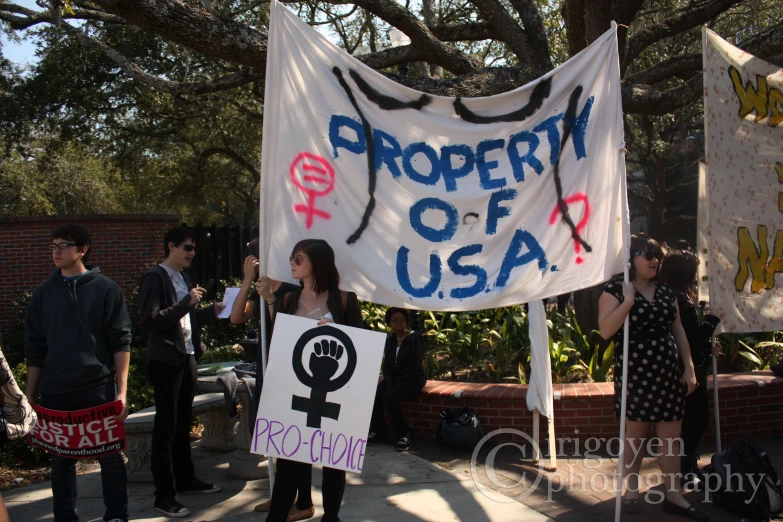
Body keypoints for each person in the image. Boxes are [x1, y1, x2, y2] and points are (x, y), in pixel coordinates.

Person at [25, 224, 131, 522]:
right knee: (60, 461)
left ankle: (116, 515)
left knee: (110, 456)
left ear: (82, 250)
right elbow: (35, 349)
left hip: (96, 387)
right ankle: (65, 517)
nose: (56, 251)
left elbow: (121, 342)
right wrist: (30, 398)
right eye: (53, 245)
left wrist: (121, 392)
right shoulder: (42, 295)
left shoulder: (106, 289)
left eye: (64, 245)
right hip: (55, 389)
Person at [598, 234, 705, 520]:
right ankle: (631, 491)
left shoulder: (666, 292)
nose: (654, 260)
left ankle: (674, 494)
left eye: (657, 255)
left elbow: (678, 330)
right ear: (630, 259)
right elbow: (606, 330)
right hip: (636, 374)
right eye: (647, 255)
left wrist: (689, 367)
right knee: (635, 437)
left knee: (671, 439)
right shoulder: (616, 290)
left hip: (667, 374)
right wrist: (627, 303)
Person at [256, 239, 364, 522]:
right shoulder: (288, 300)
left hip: (335, 394)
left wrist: (338, 331)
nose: (291, 263)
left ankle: (331, 517)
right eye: (292, 257)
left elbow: (360, 346)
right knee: (289, 462)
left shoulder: (344, 300)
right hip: (295, 392)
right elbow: (279, 339)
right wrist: (269, 300)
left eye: (298, 258)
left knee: (333, 462)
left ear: (317, 263)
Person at [139, 226, 225, 518]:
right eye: (187, 247)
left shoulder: (182, 278)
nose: (192, 253)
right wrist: (187, 302)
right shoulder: (155, 277)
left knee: (183, 423)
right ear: (171, 246)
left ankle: (186, 480)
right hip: (164, 360)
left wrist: (211, 311)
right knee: (166, 427)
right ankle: (163, 496)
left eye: (193, 249)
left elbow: (186, 319)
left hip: (185, 355)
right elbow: (150, 321)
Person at [228, 239, 299, 515]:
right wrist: (247, 281)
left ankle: (293, 498)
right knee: (273, 435)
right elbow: (236, 317)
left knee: (290, 438)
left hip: (287, 365)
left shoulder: (292, 287)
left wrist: (271, 297)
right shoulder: (257, 288)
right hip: (265, 364)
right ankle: (281, 494)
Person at [659, 249, 721, 482]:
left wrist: (708, 348)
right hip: (691, 370)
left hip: (687, 366)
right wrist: (713, 320)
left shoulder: (673, 295)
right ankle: (686, 467)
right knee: (697, 420)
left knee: (691, 421)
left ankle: (686, 464)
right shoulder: (682, 300)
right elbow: (692, 336)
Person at [368, 307, 426, 451]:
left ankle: (405, 433)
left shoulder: (414, 339)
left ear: (407, 322)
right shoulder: (390, 340)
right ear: (389, 323)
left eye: (402, 320)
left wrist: (394, 384)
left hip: (412, 379)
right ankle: (380, 431)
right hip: (393, 380)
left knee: (389, 397)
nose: (398, 323)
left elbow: (413, 366)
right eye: (394, 321)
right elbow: (387, 365)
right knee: (376, 394)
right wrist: (388, 382)